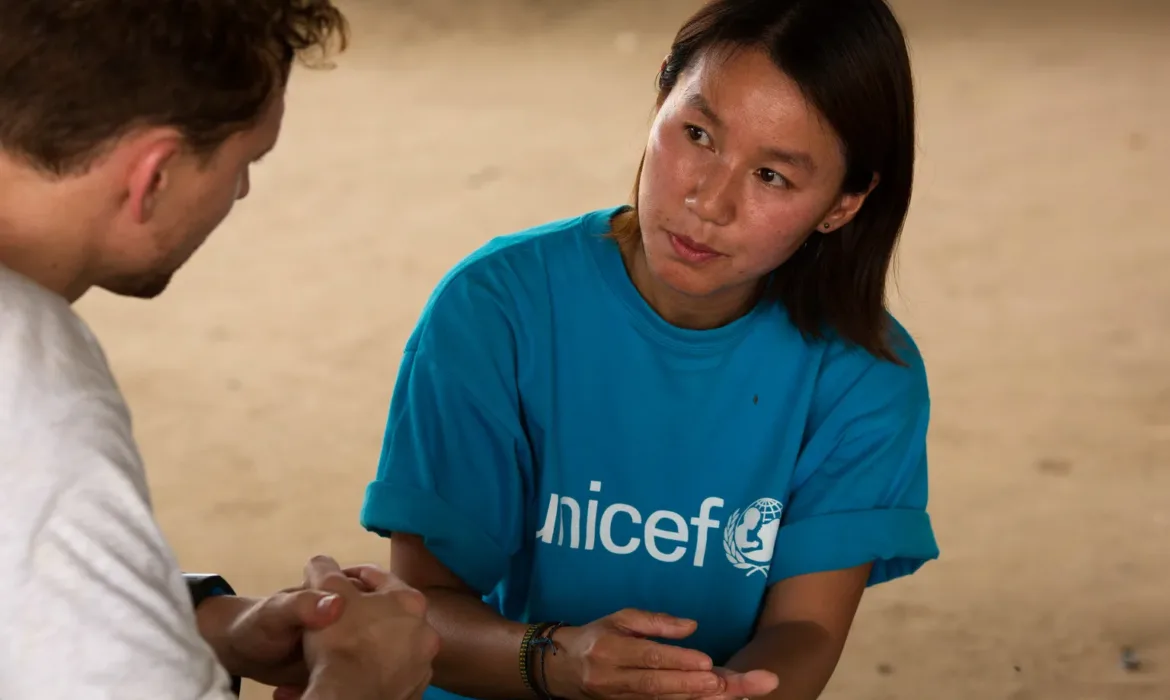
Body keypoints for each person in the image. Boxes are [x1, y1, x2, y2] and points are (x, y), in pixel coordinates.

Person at [358, 1, 941, 699]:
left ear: (844, 204)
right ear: (661, 90)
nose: (709, 201)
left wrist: (732, 692)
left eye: (772, 176)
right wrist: (556, 661)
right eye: (698, 134)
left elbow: (806, 630)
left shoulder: (864, 377)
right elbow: (422, 609)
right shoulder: (496, 309)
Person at [0, 2, 439, 699]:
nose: (240, 191)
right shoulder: (27, 375)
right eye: (244, 162)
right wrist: (362, 682)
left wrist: (195, 625)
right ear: (156, 175)